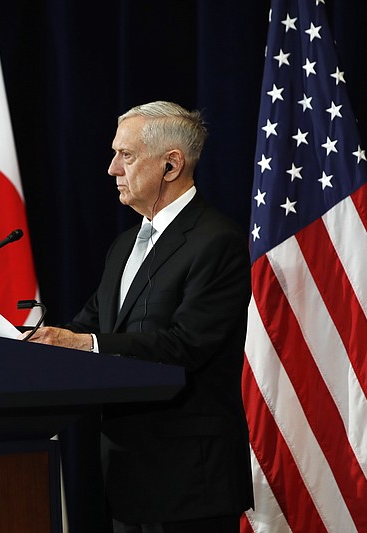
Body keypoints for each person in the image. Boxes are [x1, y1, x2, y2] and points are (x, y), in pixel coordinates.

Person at [31, 101, 253, 533]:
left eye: (126, 155)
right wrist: (26, 342)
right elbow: (91, 323)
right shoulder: (125, 244)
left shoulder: (216, 241)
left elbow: (185, 344)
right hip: (128, 475)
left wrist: (85, 344)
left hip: (190, 481)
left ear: (171, 165)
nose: (113, 169)